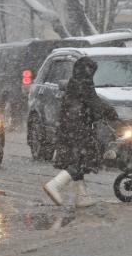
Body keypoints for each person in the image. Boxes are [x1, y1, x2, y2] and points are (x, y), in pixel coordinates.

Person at [43, 57, 118, 208]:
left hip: (69, 128)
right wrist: (110, 112)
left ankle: (81, 196)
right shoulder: (84, 84)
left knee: (77, 160)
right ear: (87, 70)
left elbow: (88, 103)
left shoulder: (75, 82)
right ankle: (55, 185)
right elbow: (94, 102)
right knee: (83, 160)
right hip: (78, 129)